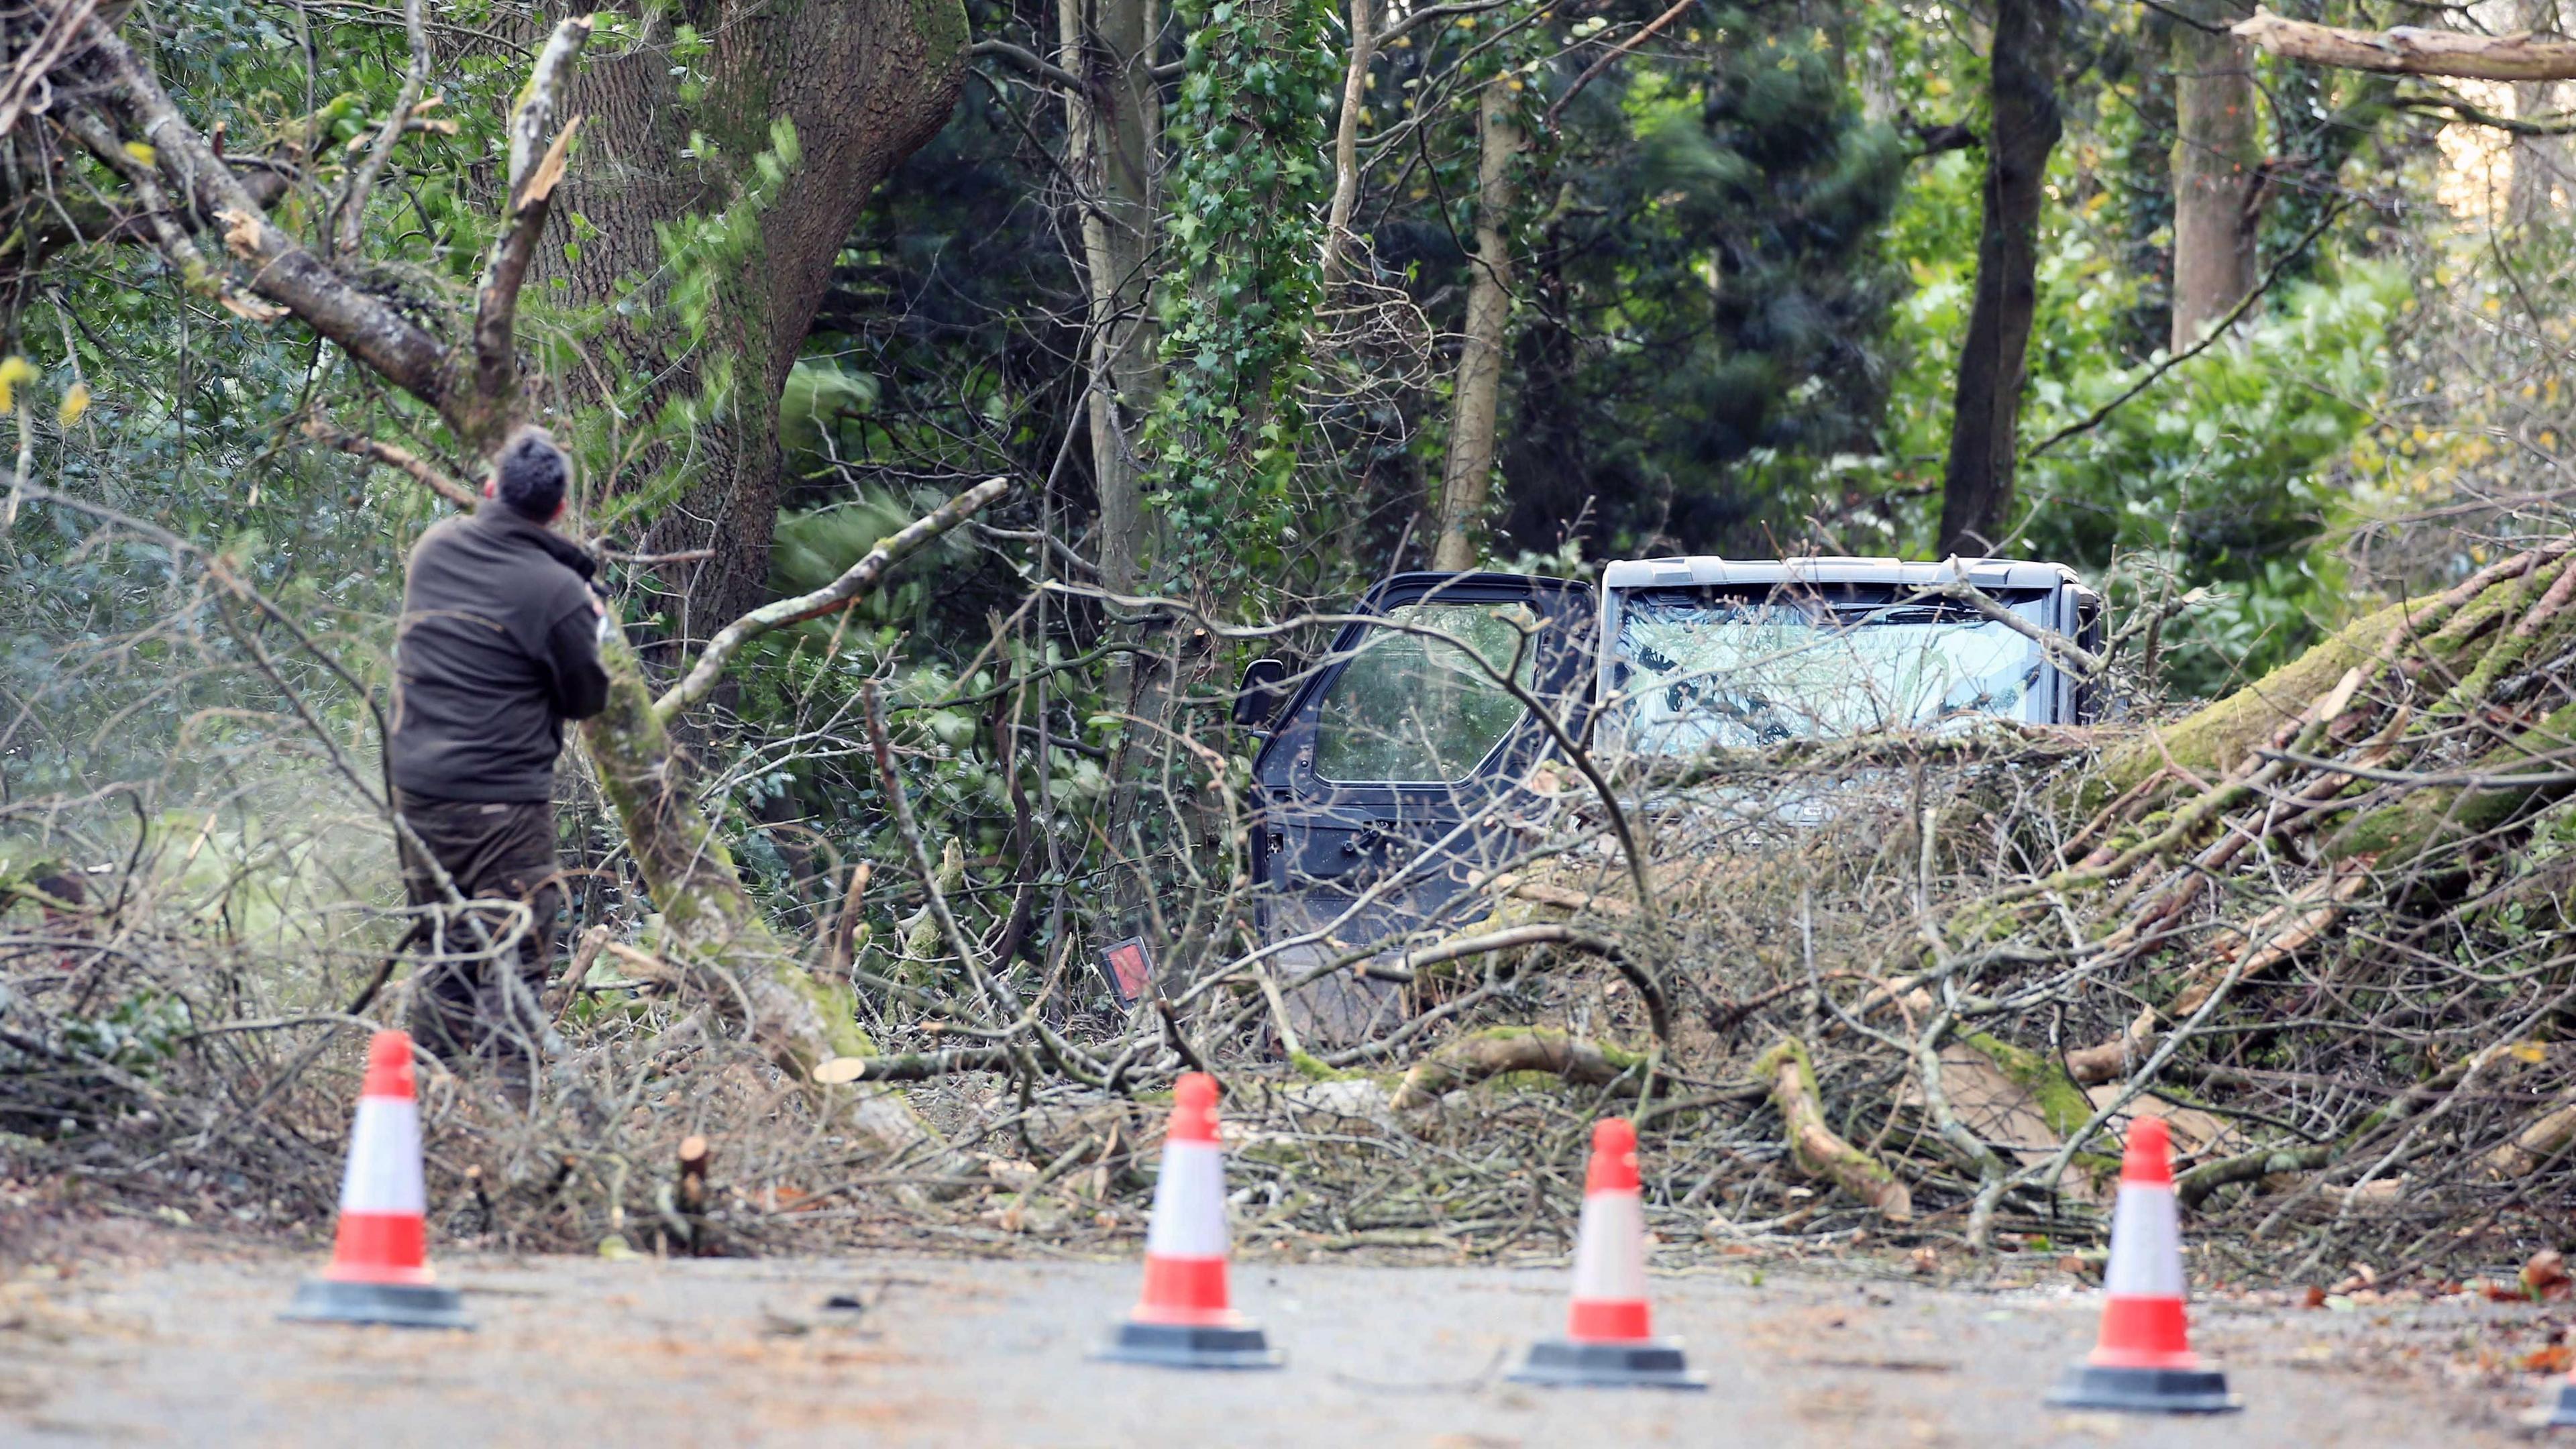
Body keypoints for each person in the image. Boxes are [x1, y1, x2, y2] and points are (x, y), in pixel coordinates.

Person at [386, 427, 608, 1097]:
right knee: (515, 957)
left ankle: (422, 1113)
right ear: (560, 510)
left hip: (417, 792)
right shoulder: (558, 593)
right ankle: (507, 1127)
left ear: (490, 490)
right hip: (502, 805)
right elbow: (584, 698)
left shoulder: (434, 549)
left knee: (446, 953)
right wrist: (591, 627)